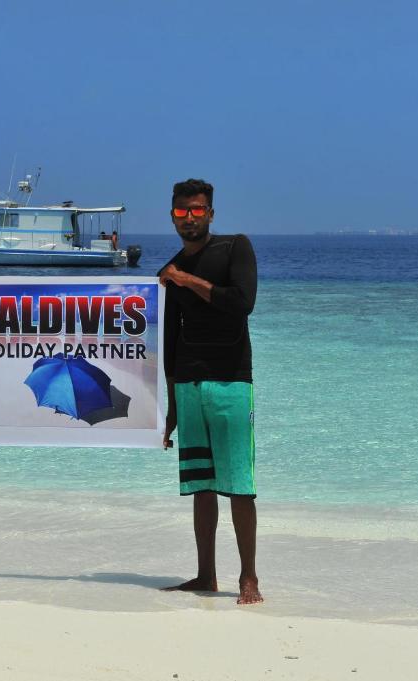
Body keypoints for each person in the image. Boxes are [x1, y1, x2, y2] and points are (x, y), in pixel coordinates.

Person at [158, 178, 262, 605]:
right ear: (172, 217)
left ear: (210, 213)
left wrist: (185, 279)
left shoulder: (235, 248)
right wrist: (169, 407)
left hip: (231, 381)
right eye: (182, 211)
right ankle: (205, 575)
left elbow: (242, 303)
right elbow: (169, 339)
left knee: (239, 484)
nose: (190, 218)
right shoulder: (172, 268)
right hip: (188, 384)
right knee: (200, 485)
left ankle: (249, 578)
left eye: (197, 210)